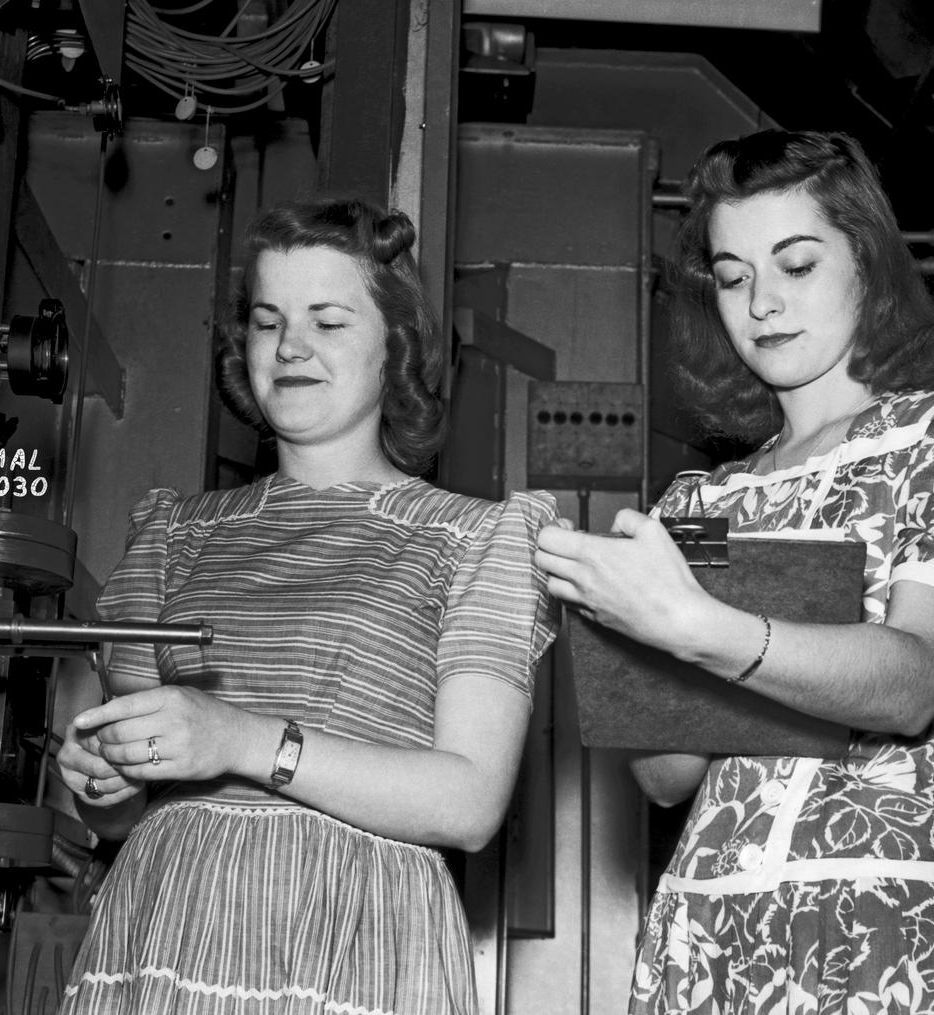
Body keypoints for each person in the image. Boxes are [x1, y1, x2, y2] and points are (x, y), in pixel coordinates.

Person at [535, 130, 934, 1014]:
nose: (763, 303)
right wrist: (618, 629)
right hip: (705, 931)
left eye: (797, 265)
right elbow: (666, 777)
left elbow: (911, 683)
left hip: (880, 919)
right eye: (734, 278)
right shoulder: (701, 499)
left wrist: (696, 627)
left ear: (872, 266)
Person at [55, 196, 558, 1014]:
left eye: (328, 321)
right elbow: (121, 807)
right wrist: (105, 783)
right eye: (266, 321)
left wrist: (242, 739)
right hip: (171, 919)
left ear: (396, 347)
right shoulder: (173, 533)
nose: (289, 346)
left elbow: (469, 804)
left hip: (357, 928)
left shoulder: (473, 539)